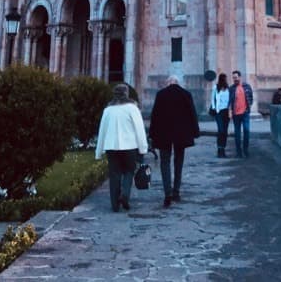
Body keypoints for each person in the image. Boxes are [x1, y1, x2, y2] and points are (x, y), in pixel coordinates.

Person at [95, 83, 148, 212]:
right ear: (126, 94)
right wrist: (143, 148)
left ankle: (114, 204)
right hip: (129, 146)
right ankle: (125, 194)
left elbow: (102, 131)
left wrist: (98, 151)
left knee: (114, 174)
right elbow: (139, 130)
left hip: (111, 147)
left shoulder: (108, 110)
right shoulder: (132, 108)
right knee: (129, 171)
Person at [149, 75, 200, 207]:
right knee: (179, 162)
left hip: (163, 134)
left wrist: (152, 135)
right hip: (181, 134)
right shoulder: (185, 94)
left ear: (168, 83)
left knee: (164, 162)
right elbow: (192, 113)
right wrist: (195, 131)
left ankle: (167, 193)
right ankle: (176, 192)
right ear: (177, 83)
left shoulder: (161, 94)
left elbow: (154, 115)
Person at [228, 69, 253, 158]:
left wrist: (248, 107)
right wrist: (230, 111)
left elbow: (250, 98)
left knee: (246, 131)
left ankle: (245, 150)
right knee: (237, 134)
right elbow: (229, 101)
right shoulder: (231, 88)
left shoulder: (246, 86)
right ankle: (239, 152)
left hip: (245, 113)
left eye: (236, 77)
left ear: (240, 77)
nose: (235, 79)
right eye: (233, 77)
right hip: (236, 114)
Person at [211, 72, 230, 157]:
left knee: (225, 132)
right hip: (219, 112)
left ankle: (223, 149)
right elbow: (212, 98)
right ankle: (219, 148)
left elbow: (229, 100)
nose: (225, 80)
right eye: (224, 78)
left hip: (226, 112)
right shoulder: (216, 87)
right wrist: (214, 108)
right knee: (221, 130)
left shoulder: (227, 88)